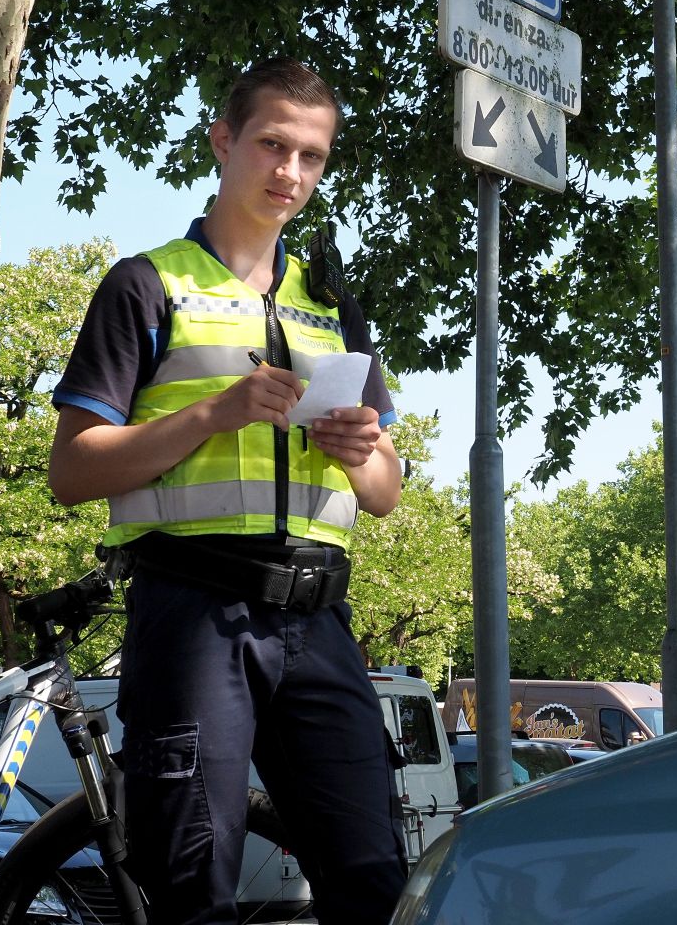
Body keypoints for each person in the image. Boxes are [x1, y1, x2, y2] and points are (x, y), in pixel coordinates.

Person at [46, 57, 407, 925]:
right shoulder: (148, 282)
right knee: (194, 894)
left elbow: (387, 491)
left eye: (312, 156)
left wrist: (359, 449)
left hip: (320, 624)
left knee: (378, 886)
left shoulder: (333, 306)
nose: (290, 173)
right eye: (272, 145)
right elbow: (73, 470)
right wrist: (215, 413)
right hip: (196, 617)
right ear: (223, 141)